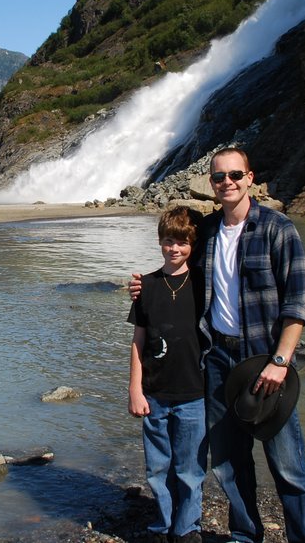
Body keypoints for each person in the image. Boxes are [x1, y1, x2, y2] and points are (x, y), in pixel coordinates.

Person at [131, 147, 305, 543]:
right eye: (219, 177)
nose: (227, 183)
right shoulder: (207, 232)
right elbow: (176, 262)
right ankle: (245, 535)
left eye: (235, 175)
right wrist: (142, 286)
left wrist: (281, 360)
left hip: (264, 361)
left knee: (287, 465)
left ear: (250, 178)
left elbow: (299, 301)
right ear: (211, 183)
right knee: (228, 462)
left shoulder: (277, 228)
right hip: (217, 358)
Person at [128, 206, 207, 543]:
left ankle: (187, 528)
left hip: (195, 393)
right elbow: (138, 339)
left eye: (183, 242)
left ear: (193, 244)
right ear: (160, 242)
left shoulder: (204, 283)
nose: (175, 248)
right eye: (168, 241)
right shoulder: (145, 285)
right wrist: (135, 387)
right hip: (155, 392)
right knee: (157, 467)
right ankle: (163, 524)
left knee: (190, 469)